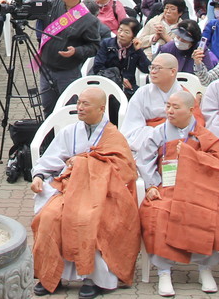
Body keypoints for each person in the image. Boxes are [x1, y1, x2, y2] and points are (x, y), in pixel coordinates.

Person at [29, 87, 139, 299]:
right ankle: (50, 275)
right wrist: (39, 176)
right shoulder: (70, 132)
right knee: (49, 217)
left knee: (87, 219)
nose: (79, 108)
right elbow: (50, 159)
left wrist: (84, 163)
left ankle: (92, 278)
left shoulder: (113, 136)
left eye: (85, 104)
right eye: (79, 103)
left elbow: (125, 170)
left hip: (101, 194)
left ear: (101, 108)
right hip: (69, 189)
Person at [136, 91, 219, 297]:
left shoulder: (205, 135)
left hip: (200, 189)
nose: (169, 111)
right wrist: (152, 185)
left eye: (176, 107)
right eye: (168, 106)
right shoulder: (157, 133)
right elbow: (144, 161)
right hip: (166, 187)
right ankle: (164, 271)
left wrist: (192, 155)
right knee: (159, 213)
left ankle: (204, 267)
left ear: (191, 111)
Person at [37, 0, 104, 113]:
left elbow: (94, 47)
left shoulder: (88, 20)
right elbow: (34, 7)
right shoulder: (54, 5)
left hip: (67, 71)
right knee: (48, 108)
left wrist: (77, 51)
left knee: (69, 110)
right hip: (46, 69)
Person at [120, 53, 196, 155]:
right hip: (145, 146)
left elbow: (195, 128)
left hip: (177, 147)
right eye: (152, 67)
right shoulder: (142, 93)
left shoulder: (184, 95)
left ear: (172, 72)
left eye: (158, 68)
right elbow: (130, 130)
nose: (152, 72)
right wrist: (159, 133)